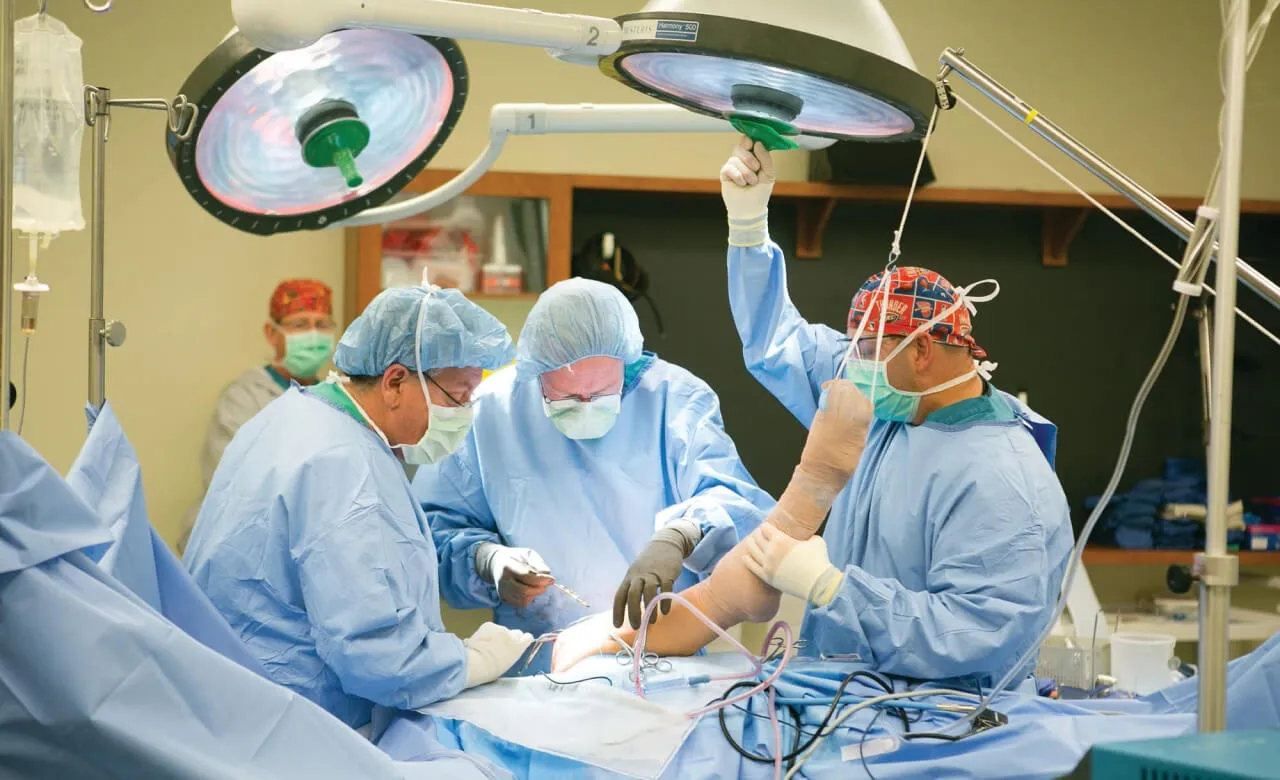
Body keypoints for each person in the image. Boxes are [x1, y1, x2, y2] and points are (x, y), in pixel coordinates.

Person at [718, 135, 1073, 688]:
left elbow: (978, 631)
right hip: (845, 704)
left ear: (923, 350)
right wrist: (748, 228)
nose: (849, 363)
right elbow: (777, 344)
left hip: (944, 734)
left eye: (863, 349)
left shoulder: (1003, 479)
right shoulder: (882, 411)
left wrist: (834, 591)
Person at [184, 284, 534, 731]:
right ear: (393, 383)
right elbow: (376, 656)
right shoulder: (343, 464)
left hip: (235, 702)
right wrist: (475, 660)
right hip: (294, 726)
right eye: (459, 397)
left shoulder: (294, 416)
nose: (464, 414)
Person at [416, 278, 774, 667]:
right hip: (539, 661)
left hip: (661, 652)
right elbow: (433, 532)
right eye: (567, 397)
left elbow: (736, 503)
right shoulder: (491, 412)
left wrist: (680, 536)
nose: (586, 405)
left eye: (601, 394)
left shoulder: (675, 399)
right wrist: (487, 561)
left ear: (626, 361)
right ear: (535, 375)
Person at [177, 278, 338, 552]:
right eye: (300, 325)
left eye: (321, 325)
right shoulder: (243, 400)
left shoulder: (335, 401)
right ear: (272, 333)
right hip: (240, 544)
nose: (313, 334)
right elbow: (237, 484)